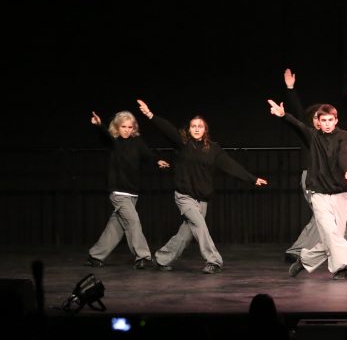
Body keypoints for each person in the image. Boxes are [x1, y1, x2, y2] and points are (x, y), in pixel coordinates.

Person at [137, 99, 267, 274]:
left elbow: (230, 165)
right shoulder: (183, 144)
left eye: (200, 126)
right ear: (188, 129)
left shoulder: (213, 149)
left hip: (202, 200)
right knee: (200, 227)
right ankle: (214, 260)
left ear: (205, 130)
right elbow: (167, 129)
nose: (197, 128)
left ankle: (162, 258)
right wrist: (150, 115)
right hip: (184, 196)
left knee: (186, 234)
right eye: (193, 126)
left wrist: (252, 178)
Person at [278, 69, 347, 274]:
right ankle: (342, 267)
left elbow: (345, 155)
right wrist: (284, 115)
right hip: (319, 193)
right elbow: (298, 123)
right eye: (322, 120)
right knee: (331, 233)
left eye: (330, 120)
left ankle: (305, 260)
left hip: (340, 192)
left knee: (334, 236)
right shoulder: (312, 136)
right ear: (318, 121)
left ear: (336, 120)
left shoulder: (345, 136)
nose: (326, 124)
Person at [85, 109, 169, 270]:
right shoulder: (114, 141)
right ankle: (142, 256)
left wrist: (158, 160)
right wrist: (99, 125)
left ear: (134, 128)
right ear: (117, 127)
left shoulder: (137, 142)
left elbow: (148, 154)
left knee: (116, 227)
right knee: (133, 222)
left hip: (132, 193)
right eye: (123, 126)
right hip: (118, 193)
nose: (126, 130)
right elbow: (105, 136)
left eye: (130, 127)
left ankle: (95, 255)